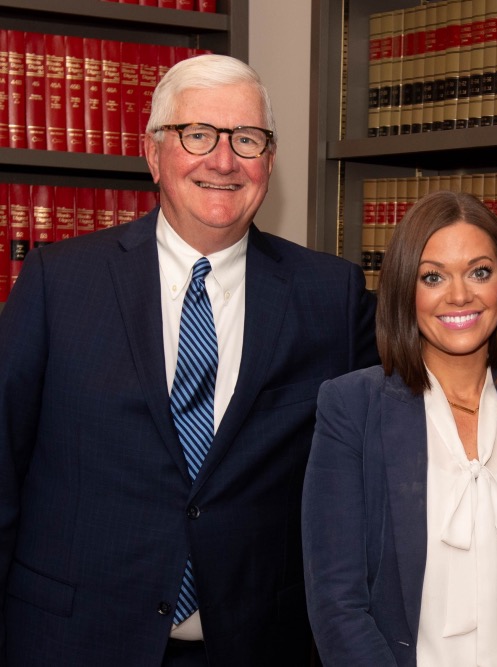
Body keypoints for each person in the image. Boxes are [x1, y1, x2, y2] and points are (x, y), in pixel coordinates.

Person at [0, 54, 378, 666]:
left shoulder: (329, 296)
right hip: (73, 642)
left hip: (258, 646)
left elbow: (370, 474)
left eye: (246, 139)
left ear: (270, 161)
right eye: (197, 134)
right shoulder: (58, 283)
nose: (223, 160)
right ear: (154, 153)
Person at [302, 190, 497, 667]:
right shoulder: (352, 409)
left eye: (480, 272)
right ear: (404, 291)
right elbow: (337, 606)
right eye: (432, 276)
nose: (460, 295)